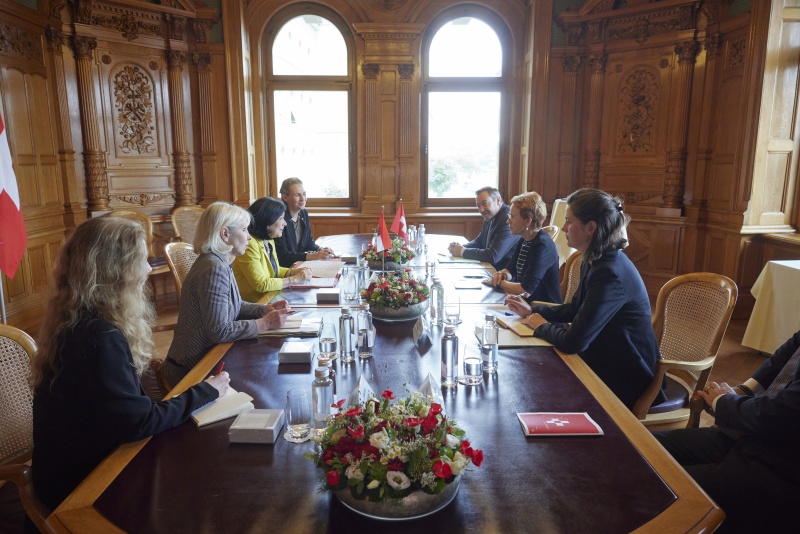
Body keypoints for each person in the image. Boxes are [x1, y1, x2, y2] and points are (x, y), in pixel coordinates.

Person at [31, 217, 229, 510]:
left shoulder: (74, 316)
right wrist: (207, 391)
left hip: (75, 457)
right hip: (83, 482)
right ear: (114, 270)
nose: (149, 269)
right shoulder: (98, 335)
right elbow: (137, 423)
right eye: (141, 260)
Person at [508, 188, 665, 410]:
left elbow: (573, 342)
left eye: (569, 222)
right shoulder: (593, 259)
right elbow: (575, 308)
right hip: (604, 356)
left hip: (627, 375)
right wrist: (533, 312)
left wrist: (540, 326)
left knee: (537, 387)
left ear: (590, 227)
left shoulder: (609, 272)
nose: (563, 228)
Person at [654, 331, 800, 533]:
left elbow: (779, 415)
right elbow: (794, 345)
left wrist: (723, 401)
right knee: (642, 450)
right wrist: (744, 391)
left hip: (778, 468)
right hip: (748, 437)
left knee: (657, 486)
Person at [161, 202, 292, 388]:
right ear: (225, 234)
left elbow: (234, 304)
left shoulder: (218, 261)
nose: (249, 236)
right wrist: (266, 323)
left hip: (207, 360)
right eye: (244, 230)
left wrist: (263, 309)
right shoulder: (214, 268)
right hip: (191, 371)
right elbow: (219, 331)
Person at [485, 191, 562, 305]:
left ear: (527, 221)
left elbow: (526, 290)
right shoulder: (524, 239)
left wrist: (498, 282)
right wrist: (502, 274)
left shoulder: (542, 245)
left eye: (512, 216)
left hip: (543, 312)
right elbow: (511, 270)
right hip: (524, 305)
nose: (508, 221)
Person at [232, 196, 313, 301]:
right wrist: (295, 279)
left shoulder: (269, 240)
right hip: (255, 304)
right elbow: (260, 284)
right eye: (280, 218)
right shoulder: (250, 244)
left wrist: (296, 272)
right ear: (267, 222)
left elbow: (276, 271)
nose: (285, 223)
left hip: (271, 298)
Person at [447, 186, 517, 271]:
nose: (481, 209)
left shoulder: (507, 219)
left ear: (498, 200)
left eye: (484, 203)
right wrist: (458, 248)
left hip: (503, 276)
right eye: (478, 206)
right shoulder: (490, 216)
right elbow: (479, 242)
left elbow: (493, 256)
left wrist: (462, 251)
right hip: (488, 269)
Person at [273, 177, 334, 266]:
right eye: (297, 195)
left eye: (304, 194)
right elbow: (283, 256)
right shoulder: (279, 219)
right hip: (285, 269)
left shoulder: (303, 213)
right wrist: (312, 256)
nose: (303, 198)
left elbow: (309, 242)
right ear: (285, 197)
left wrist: (320, 250)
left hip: (299, 265)